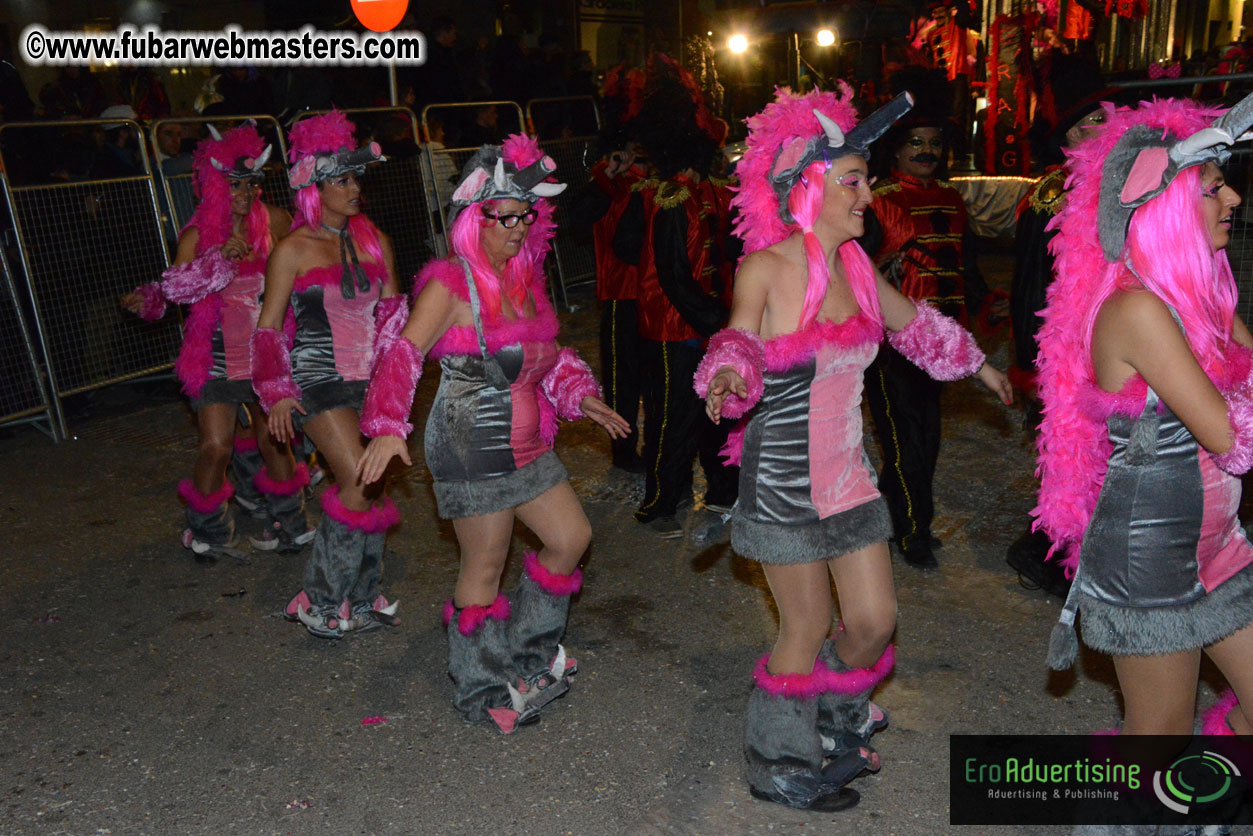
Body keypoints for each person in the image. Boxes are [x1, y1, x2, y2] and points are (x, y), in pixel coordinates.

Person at [697, 87, 1011, 812]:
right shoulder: (767, 269)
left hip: (848, 475)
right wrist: (726, 375)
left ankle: (835, 719)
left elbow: (915, 327)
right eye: (853, 181)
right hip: (781, 481)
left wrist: (978, 364)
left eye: (866, 178)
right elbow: (738, 338)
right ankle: (776, 762)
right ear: (805, 187)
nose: (868, 193)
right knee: (804, 626)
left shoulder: (859, 271)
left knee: (872, 623)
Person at [356, 134, 629, 734]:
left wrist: (581, 394)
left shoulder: (525, 278)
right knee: (485, 562)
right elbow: (403, 354)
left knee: (571, 537)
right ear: (472, 219)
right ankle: (480, 686)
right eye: (503, 217)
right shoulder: (452, 283)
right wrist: (383, 425)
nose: (516, 228)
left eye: (524, 217)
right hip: (470, 442)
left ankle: (528, 656)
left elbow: (548, 357)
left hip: (528, 444)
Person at [1035, 96, 1253, 753]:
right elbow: (1232, 439)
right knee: (1155, 738)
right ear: (1165, 206)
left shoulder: (1203, 299)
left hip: (1216, 543)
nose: (1234, 199)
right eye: (1213, 187)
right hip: (1149, 559)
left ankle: (1206, 805)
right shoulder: (1136, 312)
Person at [121, 123, 310, 561]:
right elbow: (177, 288)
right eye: (234, 184)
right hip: (216, 359)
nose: (244, 193)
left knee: (275, 442)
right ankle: (205, 528)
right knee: (216, 446)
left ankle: (290, 521)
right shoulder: (196, 236)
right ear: (213, 186)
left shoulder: (276, 223)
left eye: (250, 183)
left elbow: (304, 267)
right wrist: (215, 261)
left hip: (265, 356)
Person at [250, 110, 403, 638]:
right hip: (318, 379)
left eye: (356, 177)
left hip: (371, 381)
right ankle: (316, 599)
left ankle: (359, 596)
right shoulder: (291, 249)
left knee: (372, 485)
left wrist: (395, 389)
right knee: (359, 480)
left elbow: (392, 320)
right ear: (316, 189)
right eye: (341, 180)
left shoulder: (376, 241)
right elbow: (268, 328)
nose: (354, 187)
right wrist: (275, 393)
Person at [613, 53, 740, 539]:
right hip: (672, 328)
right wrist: (715, 319)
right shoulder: (672, 196)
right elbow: (671, 274)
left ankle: (724, 491)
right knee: (673, 416)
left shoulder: (709, 191)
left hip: (706, 325)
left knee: (718, 412)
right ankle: (661, 500)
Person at [862, 106, 994, 569]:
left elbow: (966, 261)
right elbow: (854, 269)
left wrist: (981, 303)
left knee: (927, 438)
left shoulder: (953, 199)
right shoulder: (878, 201)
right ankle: (913, 530)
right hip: (891, 344)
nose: (927, 151)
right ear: (896, 150)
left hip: (939, 343)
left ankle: (893, 516)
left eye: (934, 143)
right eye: (916, 142)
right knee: (904, 444)